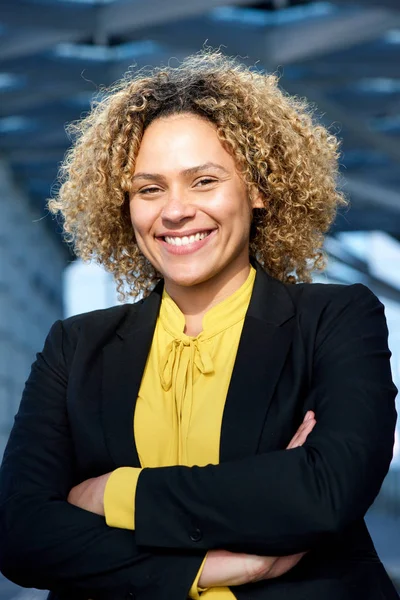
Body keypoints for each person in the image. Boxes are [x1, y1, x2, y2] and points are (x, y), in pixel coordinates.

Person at [0, 49, 398, 600]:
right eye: (149, 188)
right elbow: (22, 533)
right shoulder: (75, 346)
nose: (175, 211)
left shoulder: (337, 319)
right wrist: (209, 568)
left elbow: (323, 493)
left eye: (204, 181)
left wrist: (115, 493)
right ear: (126, 208)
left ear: (258, 191)